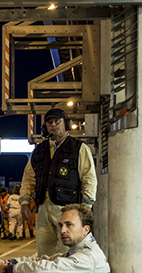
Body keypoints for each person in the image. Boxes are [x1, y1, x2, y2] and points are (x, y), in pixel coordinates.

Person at [20, 108, 97, 256]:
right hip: (43, 208)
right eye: (50, 123)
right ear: (45, 127)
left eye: (57, 121)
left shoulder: (79, 148)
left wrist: (86, 207)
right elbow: (28, 177)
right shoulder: (39, 151)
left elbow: (89, 178)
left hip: (68, 208)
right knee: (44, 252)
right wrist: (24, 201)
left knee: (67, 250)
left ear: (65, 124)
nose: (53, 125)